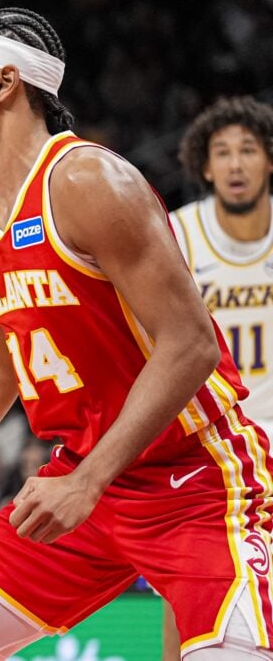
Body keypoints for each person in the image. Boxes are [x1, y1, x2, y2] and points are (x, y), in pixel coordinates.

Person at [0, 7, 273, 660]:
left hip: (197, 481)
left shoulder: (89, 181)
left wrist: (88, 480)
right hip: (82, 479)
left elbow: (190, 345)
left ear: (5, 84)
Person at [163, 96, 273, 659]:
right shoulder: (177, 234)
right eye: (222, 153)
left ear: (269, 161)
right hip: (212, 444)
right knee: (185, 596)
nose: (235, 165)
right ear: (204, 167)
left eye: (248, 151)